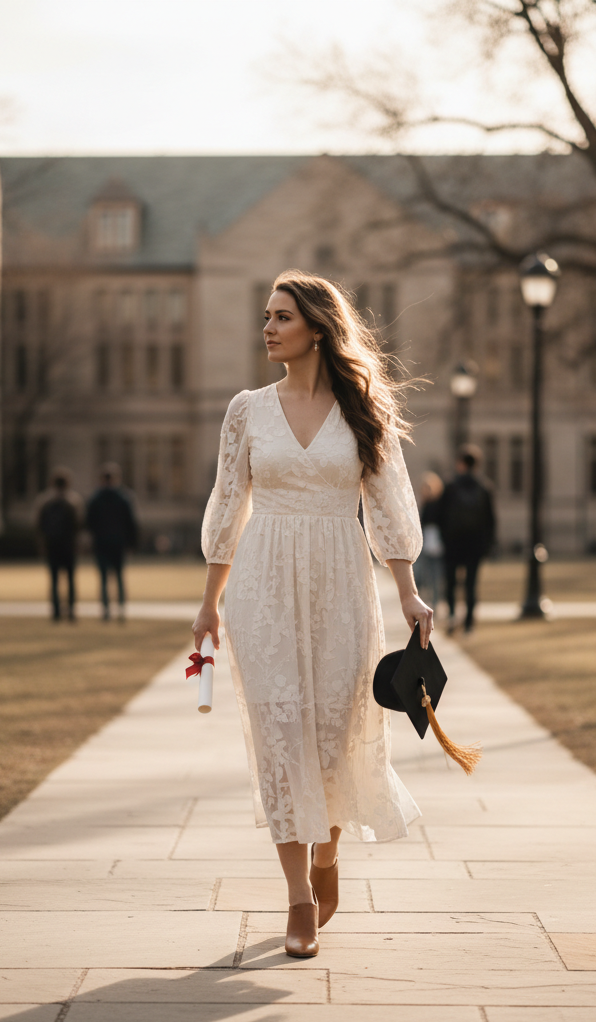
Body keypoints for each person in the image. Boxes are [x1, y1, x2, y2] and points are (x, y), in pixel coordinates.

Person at [193, 270, 432, 960]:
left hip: (340, 583)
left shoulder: (363, 408)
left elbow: (388, 505)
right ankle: (299, 896)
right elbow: (227, 504)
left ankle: (328, 854)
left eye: (282, 317)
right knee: (280, 735)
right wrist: (209, 603)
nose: (267, 328)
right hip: (262, 584)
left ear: (318, 330)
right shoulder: (246, 410)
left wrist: (408, 591)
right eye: (267, 316)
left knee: (331, 737)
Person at [429, 446, 496, 635]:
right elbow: (490, 520)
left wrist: (443, 537)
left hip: (453, 543)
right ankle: (469, 624)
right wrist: (488, 544)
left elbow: (439, 515)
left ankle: (452, 616)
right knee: (471, 585)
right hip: (475, 544)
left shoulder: (450, 486)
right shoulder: (484, 487)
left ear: (460, 464)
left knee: (450, 583)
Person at [85, 462, 139, 621]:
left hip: (101, 542)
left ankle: (106, 610)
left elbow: (89, 523)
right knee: (119, 576)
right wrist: (131, 543)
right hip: (118, 542)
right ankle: (121, 608)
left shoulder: (95, 498)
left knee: (103, 578)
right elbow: (131, 523)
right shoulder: (124, 498)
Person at [36, 468, 83, 622]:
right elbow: (78, 525)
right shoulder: (73, 501)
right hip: (68, 546)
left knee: (54, 581)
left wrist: (42, 544)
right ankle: (71, 611)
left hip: (52, 545)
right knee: (70, 580)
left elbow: (39, 526)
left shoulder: (45, 501)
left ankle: (56, 612)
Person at [412, 472, 445, 610]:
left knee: (435, 576)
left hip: (437, 544)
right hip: (425, 544)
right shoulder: (423, 505)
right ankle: (424, 601)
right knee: (423, 575)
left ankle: (435, 602)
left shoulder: (438, 505)